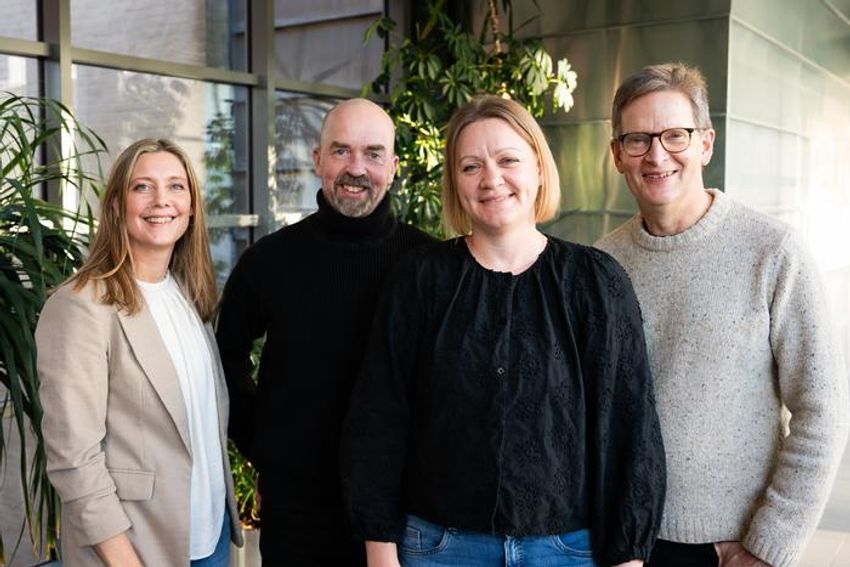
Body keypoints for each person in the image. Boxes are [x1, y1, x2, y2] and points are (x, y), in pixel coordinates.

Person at [343, 95, 665, 567]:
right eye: (471, 166)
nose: (491, 179)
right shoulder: (420, 280)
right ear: (455, 182)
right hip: (437, 548)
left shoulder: (595, 282)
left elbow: (630, 427)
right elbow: (379, 417)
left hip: (568, 550)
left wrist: (629, 558)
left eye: (508, 160)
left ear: (538, 166)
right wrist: (380, 551)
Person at [596, 63, 849, 567]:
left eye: (675, 136)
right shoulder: (601, 264)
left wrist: (770, 543)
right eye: (638, 140)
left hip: (732, 548)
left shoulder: (772, 251)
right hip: (626, 544)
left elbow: (822, 409)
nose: (656, 154)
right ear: (618, 155)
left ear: (706, 144)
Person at [215, 98, 434, 566]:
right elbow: (223, 357)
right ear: (318, 160)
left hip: (407, 512)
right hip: (298, 514)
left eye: (373, 154)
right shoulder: (270, 262)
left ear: (393, 168)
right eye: (341, 151)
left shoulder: (429, 263)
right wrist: (264, 442)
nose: (356, 168)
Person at [36, 138, 242, 566]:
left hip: (210, 538)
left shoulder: (189, 295)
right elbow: (75, 458)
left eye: (176, 187)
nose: (161, 200)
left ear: (191, 207)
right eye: (142, 187)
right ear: (116, 205)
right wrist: (123, 560)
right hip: (138, 546)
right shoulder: (80, 306)